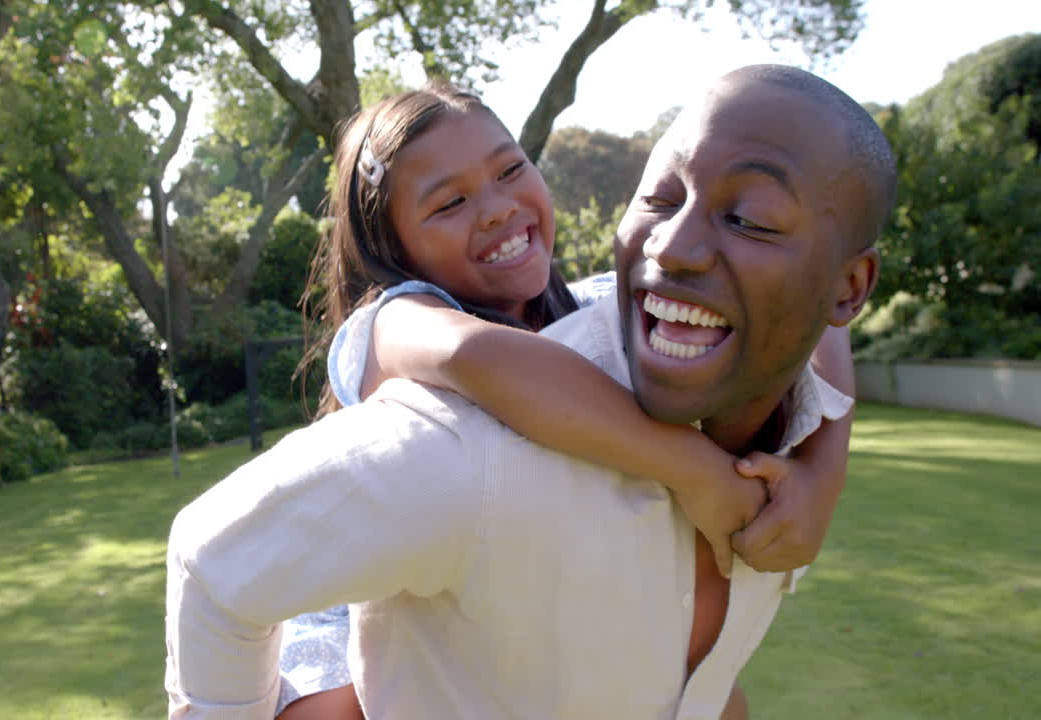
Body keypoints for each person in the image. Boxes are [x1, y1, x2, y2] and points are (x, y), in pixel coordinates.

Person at [166, 64, 893, 719]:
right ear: (397, 249)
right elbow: (480, 358)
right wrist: (690, 467)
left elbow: (805, 313)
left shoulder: (594, 309)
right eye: (447, 204)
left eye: (509, 169)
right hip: (333, 625)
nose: (494, 208)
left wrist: (825, 467)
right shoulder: (399, 323)